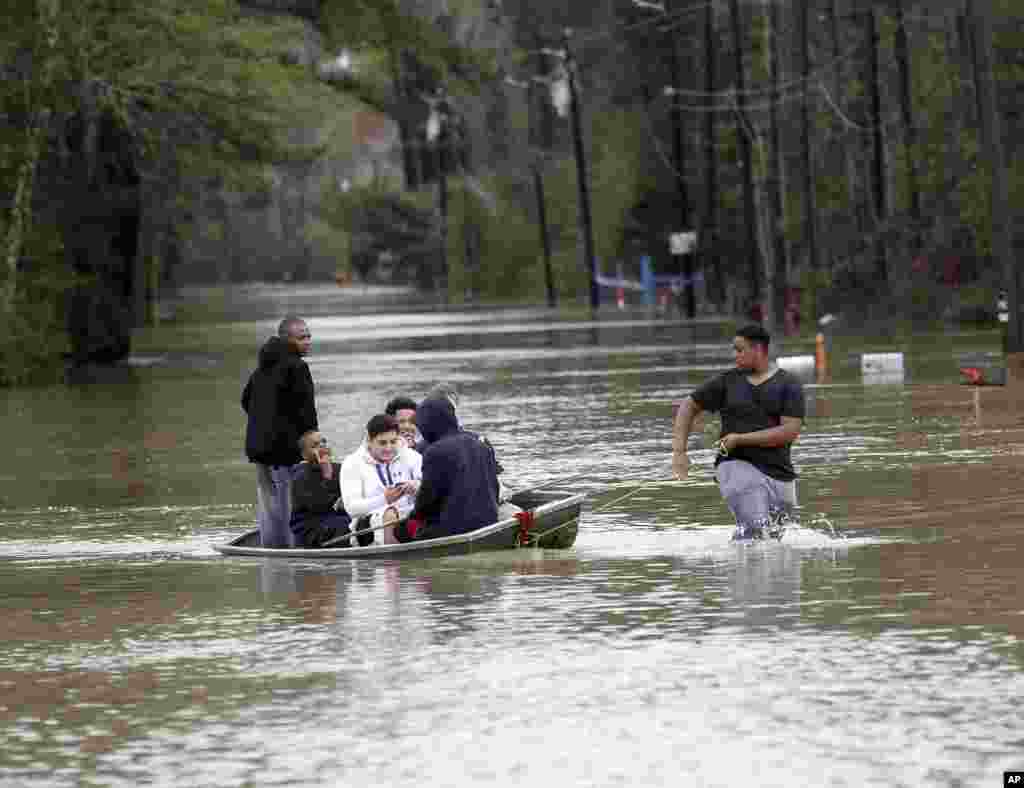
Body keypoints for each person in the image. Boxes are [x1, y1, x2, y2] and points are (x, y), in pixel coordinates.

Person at [671, 324, 805, 540]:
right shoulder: (726, 382)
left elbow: (789, 431)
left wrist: (739, 438)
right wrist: (679, 452)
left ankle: (738, 567)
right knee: (755, 528)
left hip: (780, 471)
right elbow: (688, 406)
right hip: (734, 465)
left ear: (759, 350)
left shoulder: (789, 385)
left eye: (739, 349)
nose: (735, 355)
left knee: (773, 538)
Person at [242, 316, 318, 548]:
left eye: (308, 336)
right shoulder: (297, 367)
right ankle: (290, 550)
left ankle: (269, 549)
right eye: (301, 337)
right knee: (288, 502)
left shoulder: (262, 368)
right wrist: (312, 443)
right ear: (287, 339)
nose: (307, 341)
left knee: (268, 502)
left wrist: (265, 423)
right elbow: (306, 410)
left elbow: (246, 400)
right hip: (285, 450)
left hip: (258, 448)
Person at [407, 397, 500, 540]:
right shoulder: (480, 444)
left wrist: (412, 516)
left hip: (451, 531)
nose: (421, 431)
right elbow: (495, 488)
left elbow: (426, 501)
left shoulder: (434, 451)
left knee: (400, 530)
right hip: (489, 523)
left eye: (421, 426)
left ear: (430, 423)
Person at [340, 414, 422, 545]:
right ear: (369, 439)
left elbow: (427, 486)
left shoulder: (411, 456)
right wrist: (384, 499)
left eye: (393, 442)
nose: (389, 448)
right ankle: (392, 562)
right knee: (389, 514)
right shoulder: (352, 463)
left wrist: (416, 486)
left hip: (407, 516)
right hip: (368, 526)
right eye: (382, 443)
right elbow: (352, 509)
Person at [290, 431, 367, 548]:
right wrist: (327, 475)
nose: (322, 446)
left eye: (324, 442)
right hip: (313, 527)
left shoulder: (340, 468)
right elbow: (318, 505)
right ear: (304, 454)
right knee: (349, 527)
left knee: (364, 520)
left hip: (340, 518)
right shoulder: (300, 475)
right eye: (315, 445)